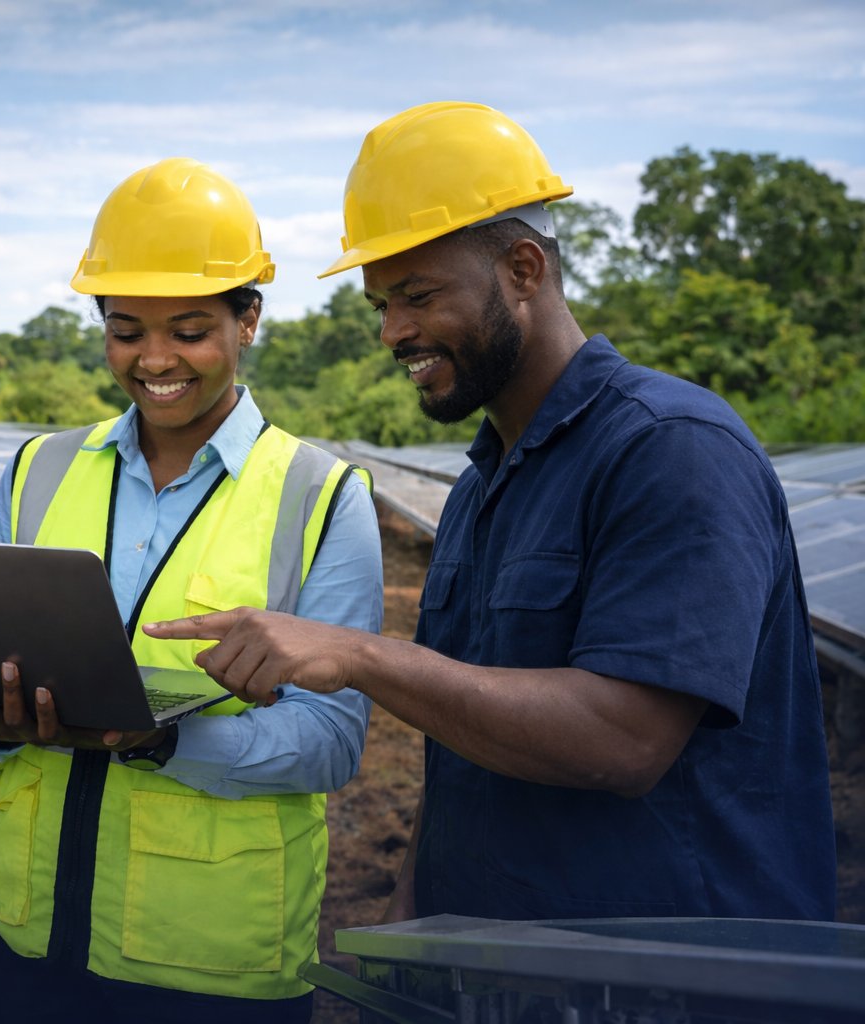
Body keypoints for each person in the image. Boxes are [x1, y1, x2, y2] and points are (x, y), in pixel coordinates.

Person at [145, 101, 836, 923]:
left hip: (671, 979)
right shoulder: (482, 485)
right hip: (503, 970)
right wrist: (413, 916)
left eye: (418, 296)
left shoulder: (670, 449)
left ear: (522, 269)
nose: (393, 331)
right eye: (380, 306)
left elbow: (624, 741)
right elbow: (464, 740)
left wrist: (362, 655)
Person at [0, 157, 384, 1023]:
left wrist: (161, 744)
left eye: (188, 330)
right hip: (22, 935)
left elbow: (332, 742)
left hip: (209, 966)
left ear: (248, 317)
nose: (153, 360)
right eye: (124, 329)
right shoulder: (39, 470)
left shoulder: (321, 496)